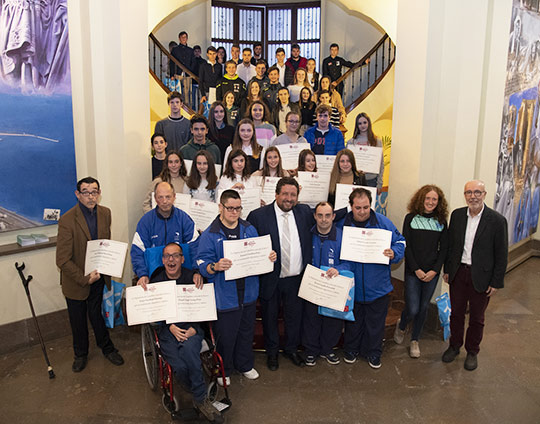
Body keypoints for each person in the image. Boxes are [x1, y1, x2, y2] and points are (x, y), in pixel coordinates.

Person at [198, 190, 277, 385]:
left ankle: (245, 365)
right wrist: (215, 266)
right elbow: (202, 264)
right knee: (226, 336)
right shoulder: (210, 234)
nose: (234, 212)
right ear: (221, 207)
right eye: (230, 208)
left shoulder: (249, 229)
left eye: (238, 208)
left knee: (245, 332)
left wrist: (268, 257)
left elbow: (259, 254)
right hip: (225, 295)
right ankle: (224, 371)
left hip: (248, 292)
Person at [146, 243, 222, 423]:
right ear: (163, 260)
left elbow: (203, 307)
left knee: (189, 351)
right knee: (180, 366)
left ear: (182, 259)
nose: (171, 260)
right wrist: (170, 325)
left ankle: (201, 399)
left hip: (191, 327)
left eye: (175, 256)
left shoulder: (193, 278)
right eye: (167, 256)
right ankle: (197, 389)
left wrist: (195, 328)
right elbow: (153, 311)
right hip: (167, 330)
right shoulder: (157, 282)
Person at [56, 177, 124, 372]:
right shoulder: (67, 220)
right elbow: (62, 260)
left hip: (98, 277)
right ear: (78, 194)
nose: (90, 196)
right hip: (76, 281)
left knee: (96, 314)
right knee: (77, 320)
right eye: (85, 192)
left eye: (94, 191)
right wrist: (85, 278)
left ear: (99, 193)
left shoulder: (105, 213)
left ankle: (107, 347)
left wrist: (106, 267)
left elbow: (105, 244)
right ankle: (81, 354)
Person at [247, 177, 314, 370]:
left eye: (293, 195)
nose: (289, 198)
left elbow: (329, 215)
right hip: (271, 278)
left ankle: (291, 349)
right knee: (269, 317)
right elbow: (250, 246)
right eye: (285, 194)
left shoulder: (304, 213)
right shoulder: (258, 216)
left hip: (296, 278)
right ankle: (272, 353)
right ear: (276, 194)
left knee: (294, 317)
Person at [442, 180, 508, 371]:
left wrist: (496, 282)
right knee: (456, 314)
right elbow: (451, 246)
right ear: (465, 195)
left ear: (484, 194)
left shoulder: (496, 220)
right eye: (469, 192)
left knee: (477, 317)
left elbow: (501, 254)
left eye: (477, 192)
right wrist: (448, 269)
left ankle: (472, 351)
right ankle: (454, 346)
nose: (473, 196)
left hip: (482, 277)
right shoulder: (457, 216)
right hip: (458, 273)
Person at [337, 188, 405, 369]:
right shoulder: (342, 224)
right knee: (353, 322)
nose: (362, 211)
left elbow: (401, 241)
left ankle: (374, 353)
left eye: (366, 207)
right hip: (353, 286)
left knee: (375, 325)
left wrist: (394, 253)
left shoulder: (383, 223)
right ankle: (351, 350)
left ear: (371, 205)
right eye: (358, 208)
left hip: (378, 286)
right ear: (351, 206)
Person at [394, 185, 449, 358]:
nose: (431, 202)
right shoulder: (410, 218)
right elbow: (406, 246)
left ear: (439, 202)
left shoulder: (441, 221)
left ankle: (415, 340)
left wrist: (435, 270)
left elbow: (444, 250)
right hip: (413, 270)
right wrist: (416, 269)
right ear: (421, 199)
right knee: (412, 308)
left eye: (434, 199)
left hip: (432, 272)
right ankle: (402, 324)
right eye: (427, 198)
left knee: (424, 307)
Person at [302, 202, 347, 366]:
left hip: (333, 286)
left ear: (334, 216)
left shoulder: (342, 236)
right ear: (314, 216)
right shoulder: (308, 235)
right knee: (311, 319)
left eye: (328, 215)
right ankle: (311, 351)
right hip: (312, 285)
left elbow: (349, 262)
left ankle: (328, 349)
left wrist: (339, 269)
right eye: (320, 215)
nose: (323, 219)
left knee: (332, 320)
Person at [132, 181, 195, 287]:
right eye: (160, 197)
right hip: (154, 277)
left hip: (182, 278)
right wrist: (142, 274)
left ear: (174, 197)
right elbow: (137, 251)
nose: (164, 201)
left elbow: (195, 247)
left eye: (168, 197)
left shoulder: (184, 219)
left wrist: (196, 271)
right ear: (155, 199)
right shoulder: (146, 221)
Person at [347, 112, 384, 193]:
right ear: (357, 125)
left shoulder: (377, 141)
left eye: (365, 122)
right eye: (359, 123)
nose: (362, 125)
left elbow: (381, 164)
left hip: (371, 180)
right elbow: (348, 163)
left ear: (369, 123)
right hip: (356, 180)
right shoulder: (351, 142)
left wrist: (379, 184)